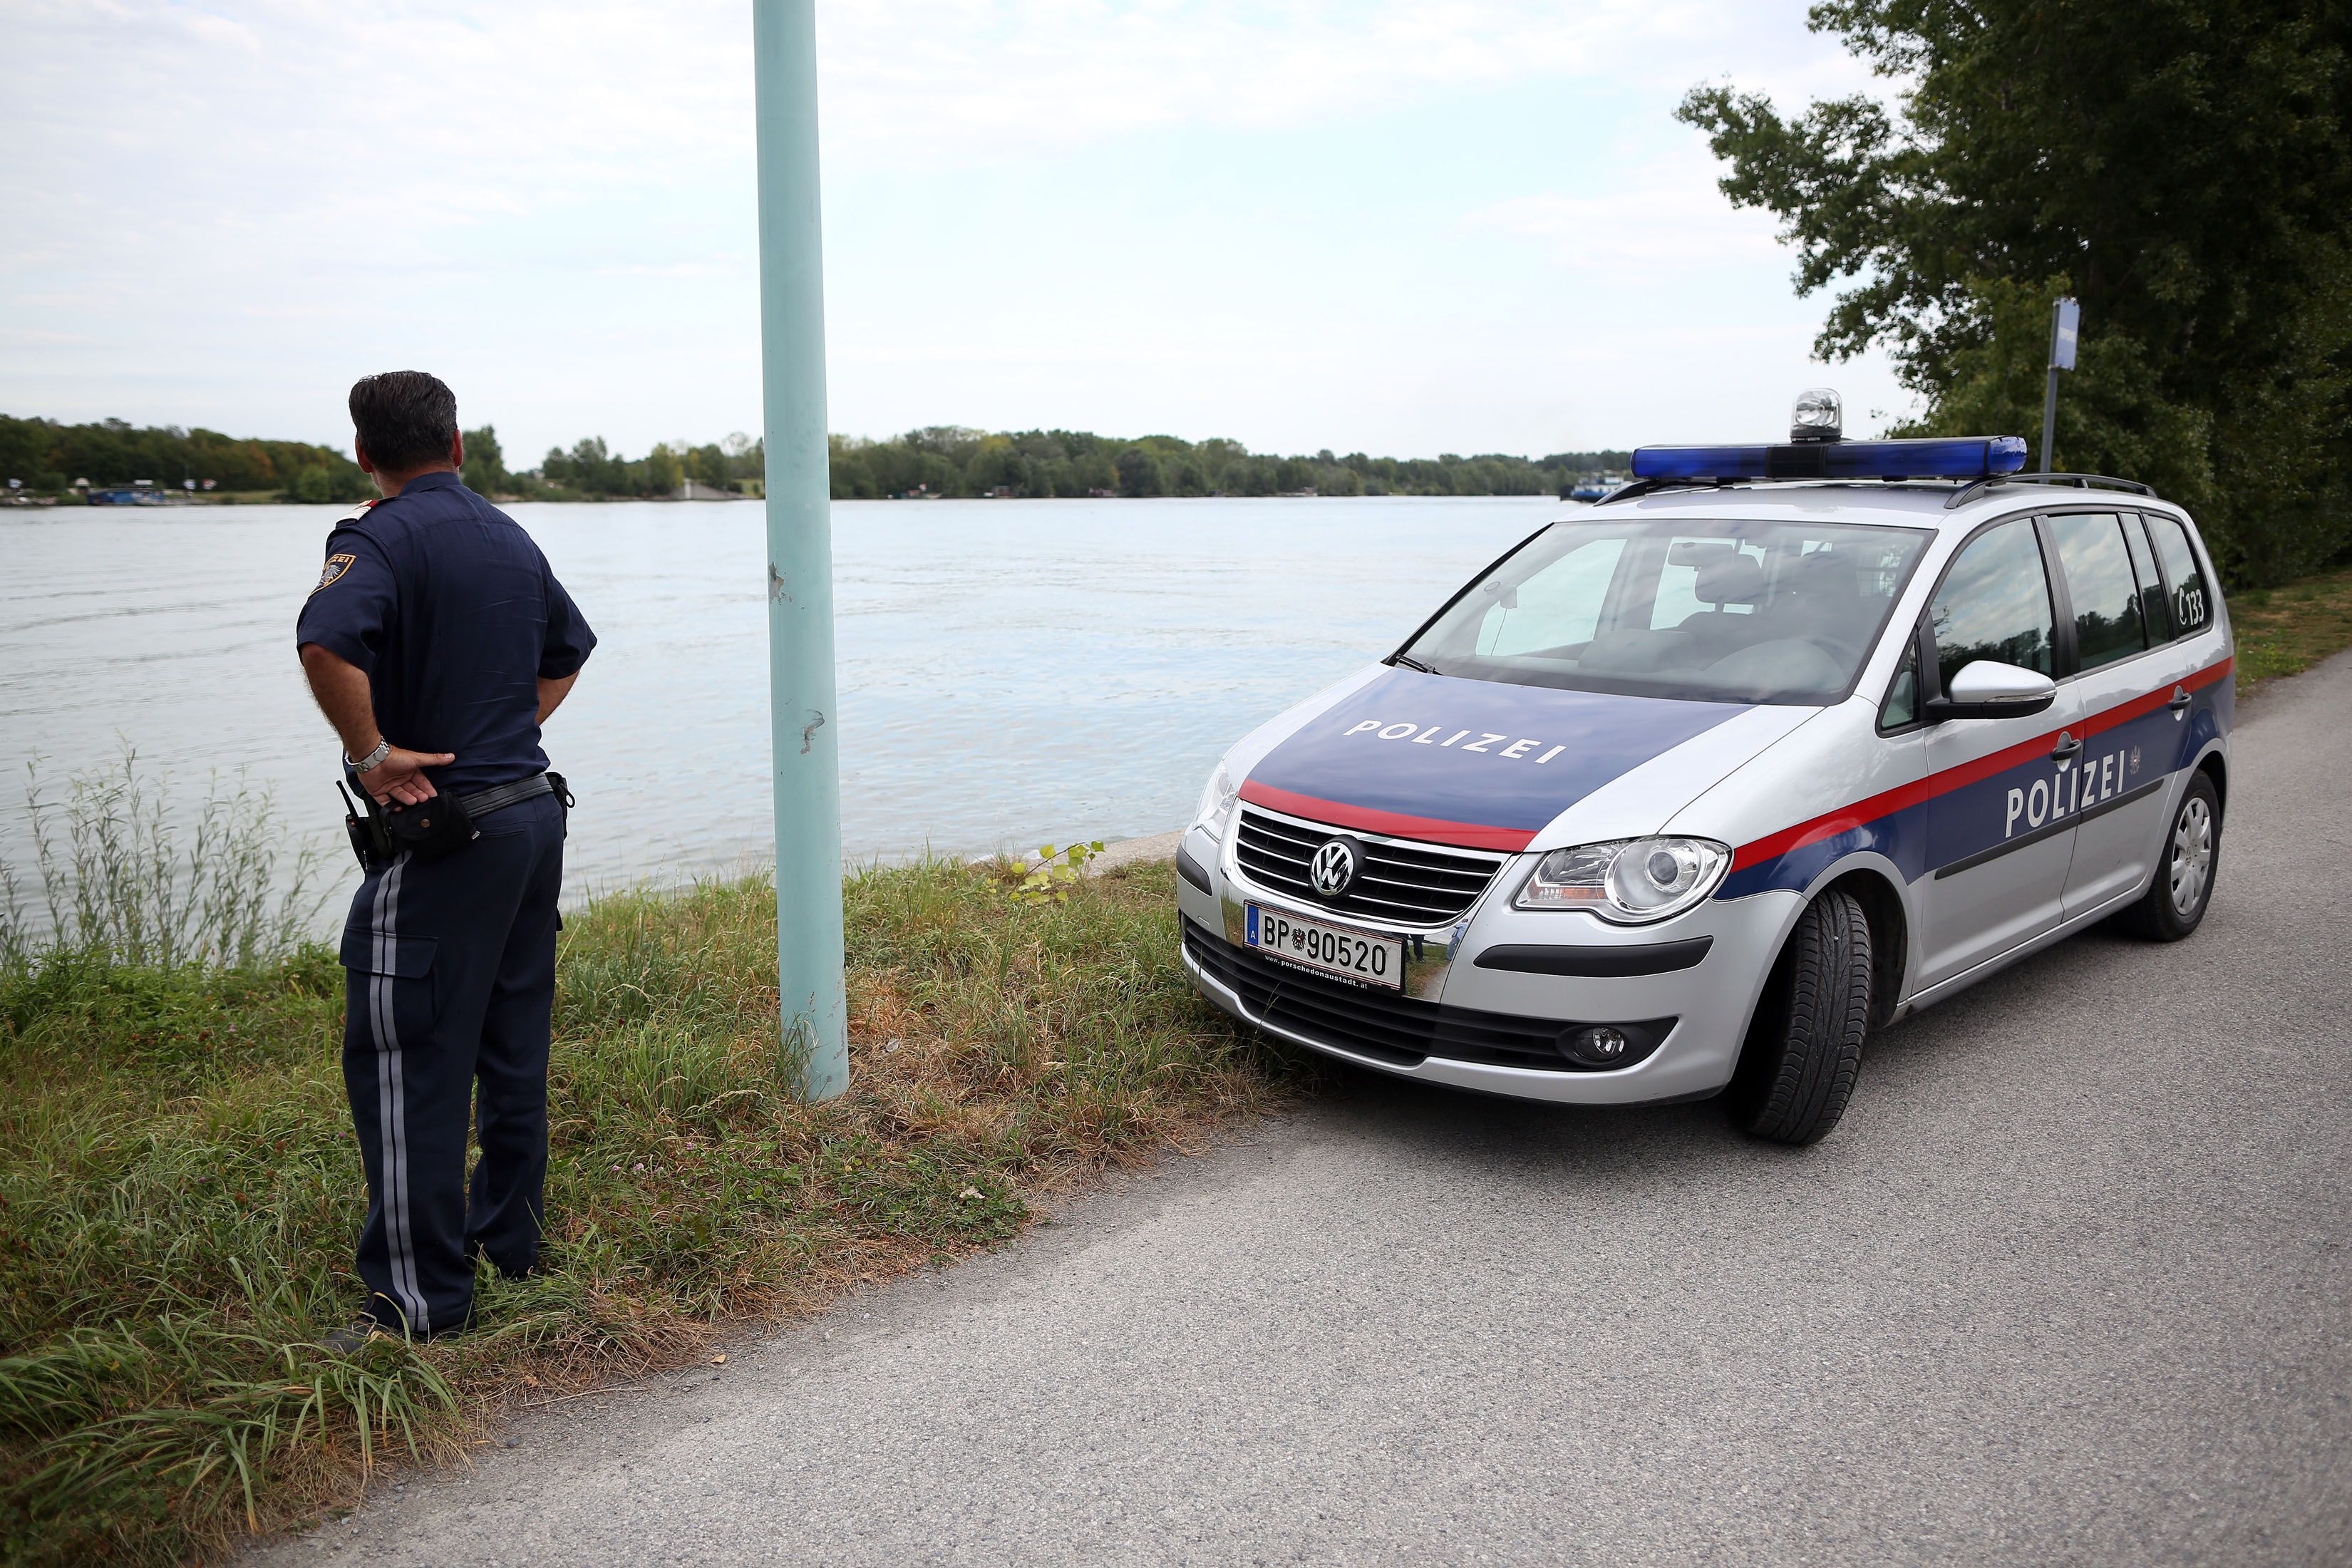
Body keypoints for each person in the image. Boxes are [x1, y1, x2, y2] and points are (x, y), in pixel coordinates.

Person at [296, 370, 595, 1346]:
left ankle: (417, 1303)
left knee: (404, 1049)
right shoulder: (509, 535)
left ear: (363, 455)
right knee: (512, 1041)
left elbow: (326, 643)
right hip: (530, 816)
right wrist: (506, 727)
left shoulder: (374, 537)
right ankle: (510, 1242)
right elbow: (569, 651)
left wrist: (375, 758)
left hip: (448, 829)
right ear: (459, 446)